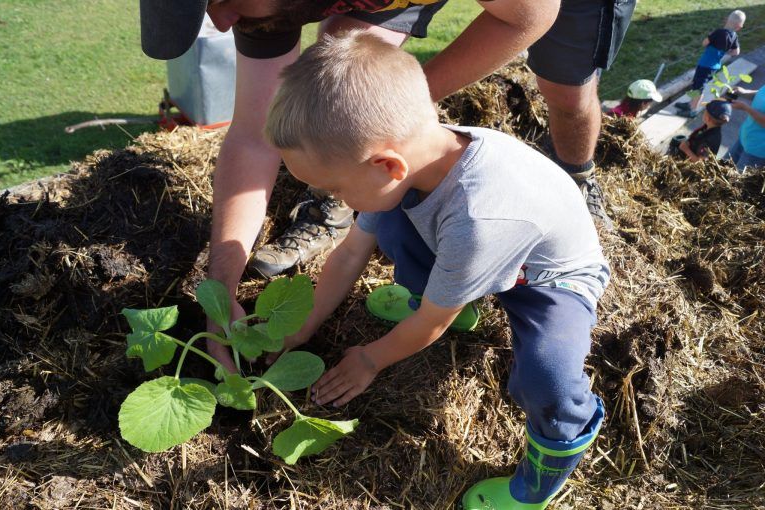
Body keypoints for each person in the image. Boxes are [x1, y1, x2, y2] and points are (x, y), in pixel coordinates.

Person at [138, 0, 635, 370]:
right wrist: (221, 286)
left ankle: (578, 175)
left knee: (566, 91)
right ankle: (369, 189)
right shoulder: (251, 8)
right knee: (339, 52)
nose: (220, 22)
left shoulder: (483, 217)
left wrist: (392, 116)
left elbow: (528, 15)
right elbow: (252, 135)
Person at [264, 31, 611, 510]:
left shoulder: (477, 218)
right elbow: (348, 254)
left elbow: (432, 323)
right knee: (387, 226)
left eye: (335, 189)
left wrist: (370, 359)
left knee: (545, 375)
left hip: (548, 279)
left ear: (387, 166)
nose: (335, 202)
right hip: (480, 252)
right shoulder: (417, 158)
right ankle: (450, 291)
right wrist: (304, 325)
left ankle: (543, 475)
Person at [676, 10, 745, 118]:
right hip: (714, 66)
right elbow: (736, 52)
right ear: (739, 27)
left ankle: (693, 110)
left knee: (699, 88)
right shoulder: (734, 36)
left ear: (726, 19)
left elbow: (704, 43)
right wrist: (726, 51)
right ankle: (690, 104)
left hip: (705, 65)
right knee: (696, 85)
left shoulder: (718, 32)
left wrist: (710, 36)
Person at [726, 86, 765, 172]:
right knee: (721, 169)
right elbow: (762, 93)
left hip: (757, 151)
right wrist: (744, 92)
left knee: (735, 182)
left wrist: (746, 108)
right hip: (745, 138)